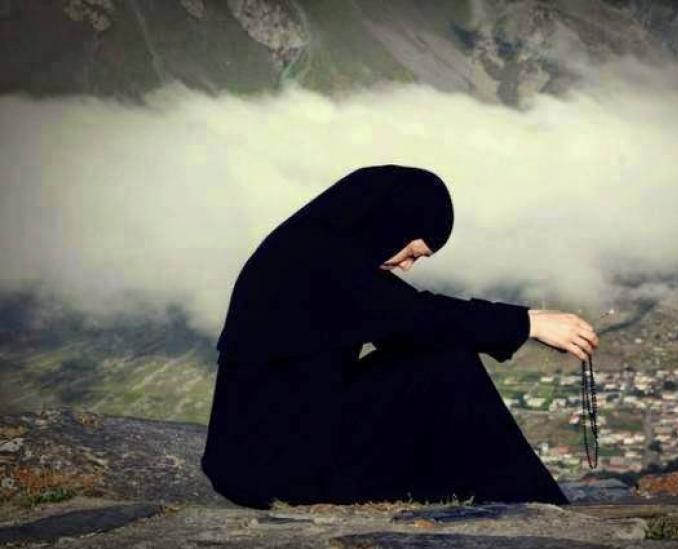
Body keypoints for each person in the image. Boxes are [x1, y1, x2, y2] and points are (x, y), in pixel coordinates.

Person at [200, 164, 598, 509]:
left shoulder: (315, 247)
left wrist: (523, 320)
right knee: (445, 362)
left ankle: (531, 500)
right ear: (388, 224)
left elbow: (410, 322)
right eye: (411, 252)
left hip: (275, 449)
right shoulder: (322, 262)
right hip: (274, 469)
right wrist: (528, 324)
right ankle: (538, 505)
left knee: (437, 354)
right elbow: (420, 317)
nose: (406, 266)